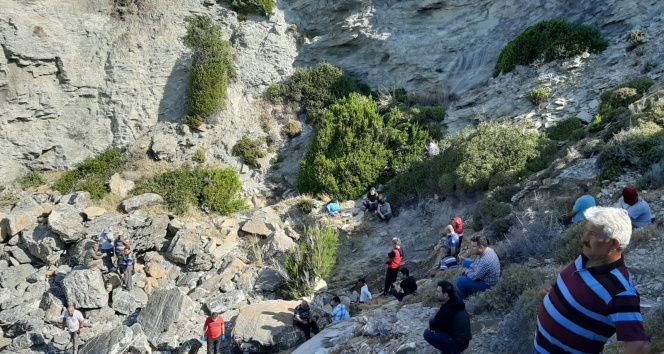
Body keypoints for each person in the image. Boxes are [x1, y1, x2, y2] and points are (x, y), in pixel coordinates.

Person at [534, 206, 650, 354]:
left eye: (593, 234)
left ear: (614, 244)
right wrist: (553, 291)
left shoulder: (619, 291)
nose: (584, 239)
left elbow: (639, 347)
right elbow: (578, 286)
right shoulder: (586, 257)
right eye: (586, 231)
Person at [423, 281, 472, 353]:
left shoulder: (448, 308)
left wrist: (432, 328)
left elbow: (434, 323)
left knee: (427, 333)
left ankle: (449, 350)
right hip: (463, 341)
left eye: (438, 292)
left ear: (445, 295)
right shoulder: (455, 300)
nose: (436, 294)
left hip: (458, 343)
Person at [456, 236, 500, 300]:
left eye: (473, 246)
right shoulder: (487, 250)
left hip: (487, 284)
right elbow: (477, 263)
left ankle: (463, 300)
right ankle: (467, 287)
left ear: (481, 247)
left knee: (459, 281)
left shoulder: (486, 261)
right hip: (484, 276)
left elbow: (475, 276)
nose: (471, 248)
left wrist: (466, 271)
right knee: (466, 262)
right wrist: (469, 270)